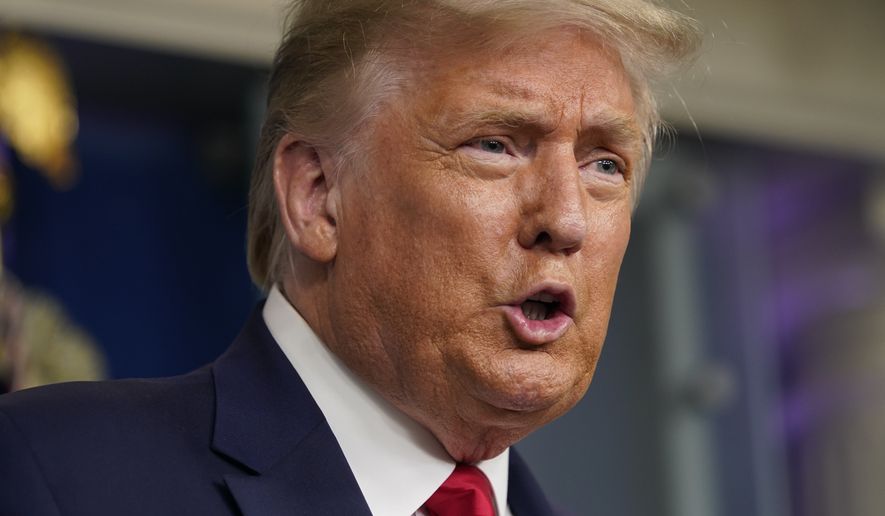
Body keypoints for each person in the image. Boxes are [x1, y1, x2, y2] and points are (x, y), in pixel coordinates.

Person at [0, 1, 701, 514]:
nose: (567, 218)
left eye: (604, 165)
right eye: (494, 145)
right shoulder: (52, 472)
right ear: (318, 196)